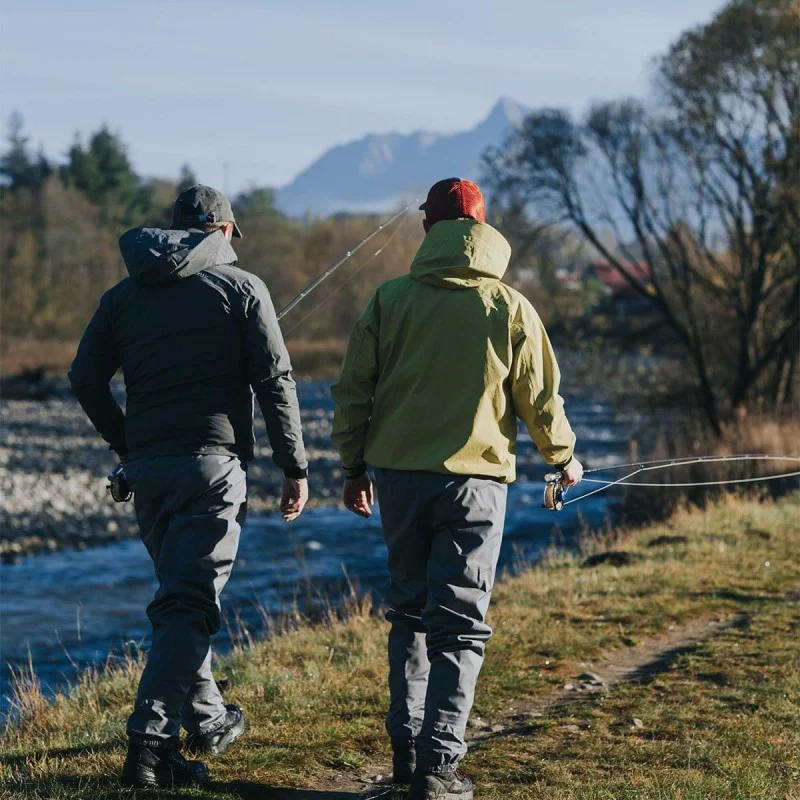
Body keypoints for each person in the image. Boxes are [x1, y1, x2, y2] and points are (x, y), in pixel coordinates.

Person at [331, 177, 583, 800]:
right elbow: (540, 399)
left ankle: (405, 747)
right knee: (461, 624)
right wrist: (564, 459)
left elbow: (352, 391)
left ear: (428, 229)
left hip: (396, 478)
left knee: (409, 611)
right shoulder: (511, 306)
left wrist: (353, 467)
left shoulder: (390, 300)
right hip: (476, 482)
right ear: (483, 228)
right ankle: (438, 765)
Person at [69, 185, 309, 788]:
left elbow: (84, 378)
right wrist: (295, 467)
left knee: (181, 600)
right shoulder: (243, 287)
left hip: (147, 472)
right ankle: (148, 747)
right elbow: (276, 381)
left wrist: (126, 444)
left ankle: (207, 719)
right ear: (222, 231)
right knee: (189, 604)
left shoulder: (123, 296)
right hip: (212, 470)